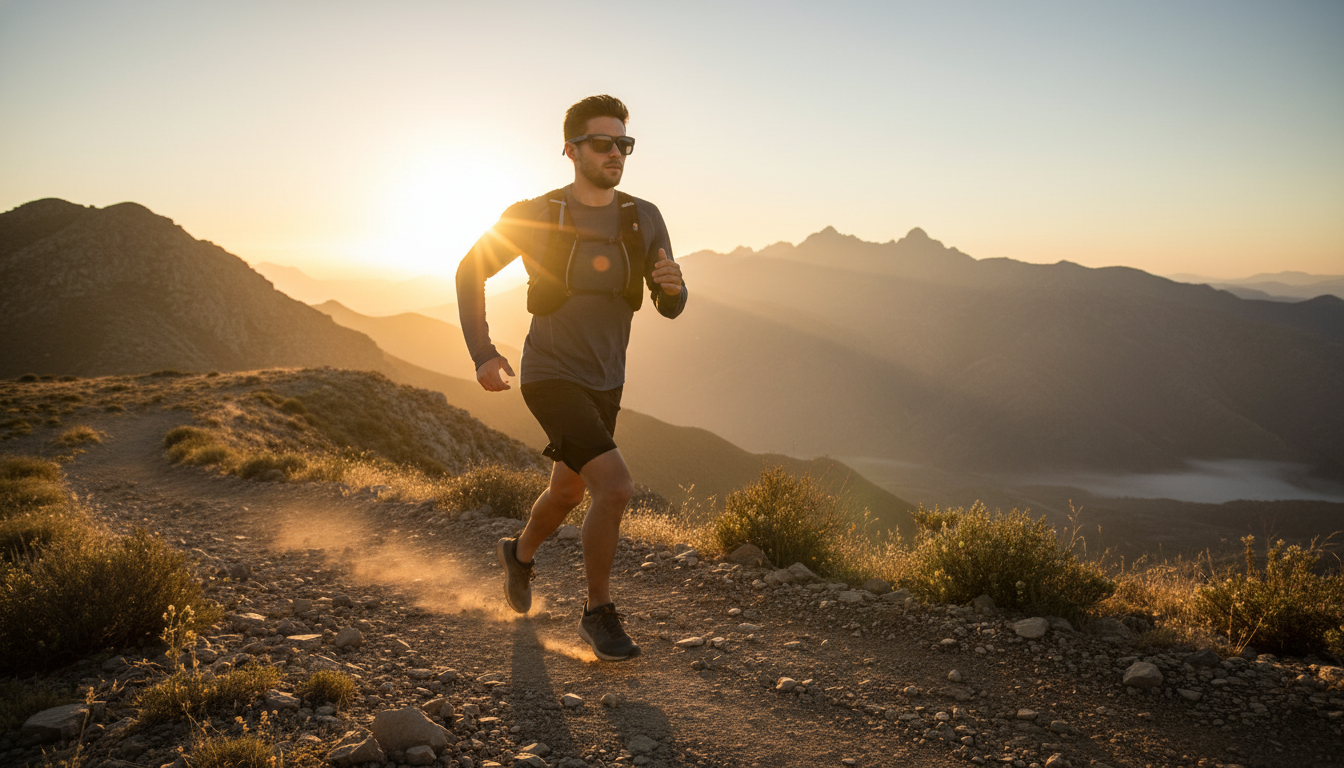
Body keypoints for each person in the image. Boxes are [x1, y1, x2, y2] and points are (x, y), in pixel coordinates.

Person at [454, 95, 686, 660]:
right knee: (616, 485)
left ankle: (519, 554)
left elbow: (669, 303)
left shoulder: (644, 216)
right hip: (550, 373)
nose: (616, 154)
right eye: (603, 143)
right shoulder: (536, 214)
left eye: (624, 144)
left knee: (566, 491)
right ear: (570, 148)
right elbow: (469, 270)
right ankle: (597, 613)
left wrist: (676, 289)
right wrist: (483, 352)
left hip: (607, 379)